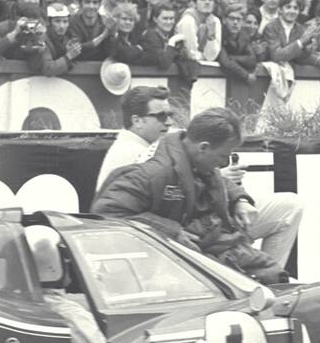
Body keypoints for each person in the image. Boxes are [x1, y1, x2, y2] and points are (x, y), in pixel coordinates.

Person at [95, 98, 303, 271]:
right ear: (204, 148)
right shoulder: (154, 171)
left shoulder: (194, 151)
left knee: (288, 210)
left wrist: (240, 200)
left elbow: (215, 177)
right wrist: (170, 232)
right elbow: (106, 212)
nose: (224, 163)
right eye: (223, 156)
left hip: (202, 238)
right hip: (167, 257)